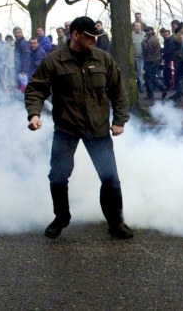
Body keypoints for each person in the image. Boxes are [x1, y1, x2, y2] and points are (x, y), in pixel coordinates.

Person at [25, 16, 133, 240]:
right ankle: (61, 217)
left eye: (95, 36)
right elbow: (35, 89)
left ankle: (116, 222)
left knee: (110, 178)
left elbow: (118, 91)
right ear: (75, 35)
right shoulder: (54, 61)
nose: (94, 40)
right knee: (58, 176)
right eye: (90, 36)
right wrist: (34, 114)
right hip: (67, 128)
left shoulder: (103, 59)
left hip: (98, 129)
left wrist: (120, 120)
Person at [142, 26, 167, 99]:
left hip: (151, 60)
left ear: (151, 31)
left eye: (147, 31)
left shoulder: (151, 39)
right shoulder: (154, 38)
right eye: (146, 31)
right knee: (150, 77)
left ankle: (161, 88)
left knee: (150, 77)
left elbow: (146, 49)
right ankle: (152, 92)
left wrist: (144, 41)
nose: (146, 33)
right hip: (154, 60)